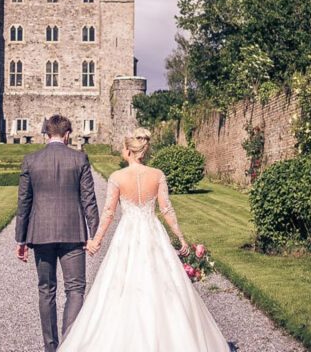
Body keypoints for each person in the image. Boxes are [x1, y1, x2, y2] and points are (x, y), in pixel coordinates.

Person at [57, 128, 229, 351]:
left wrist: (96, 241)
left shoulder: (117, 178)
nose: (121, 150)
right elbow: (166, 209)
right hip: (152, 232)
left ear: (129, 150)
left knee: (120, 289)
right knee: (164, 286)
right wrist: (180, 238)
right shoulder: (157, 175)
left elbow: (108, 212)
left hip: (127, 235)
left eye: (122, 147)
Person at [15, 114, 100, 352]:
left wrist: (20, 239)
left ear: (46, 134)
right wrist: (94, 234)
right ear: (68, 134)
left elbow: (23, 203)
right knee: (75, 290)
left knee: (46, 290)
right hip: (73, 233)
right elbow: (89, 200)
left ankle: (50, 348)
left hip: (40, 234)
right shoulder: (79, 158)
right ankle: (69, 344)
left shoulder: (31, 160)